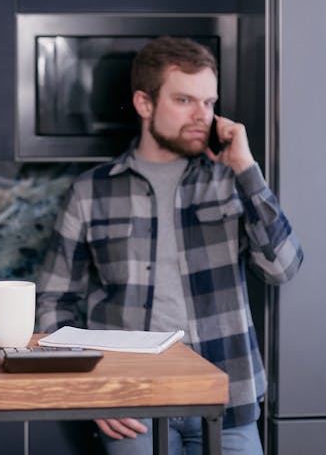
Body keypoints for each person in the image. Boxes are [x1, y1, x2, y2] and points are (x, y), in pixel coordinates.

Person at [36, 36, 303, 455]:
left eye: (210, 102)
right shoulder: (90, 192)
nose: (204, 116)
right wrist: (88, 388)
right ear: (145, 104)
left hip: (226, 396)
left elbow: (282, 267)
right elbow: (53, 301)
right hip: (132, 401)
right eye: (185, 101)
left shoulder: (232, 180)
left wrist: (247, 169)